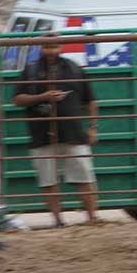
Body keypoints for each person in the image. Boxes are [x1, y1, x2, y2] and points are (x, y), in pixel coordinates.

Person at [12, 43, 100, 227]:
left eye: (54, 47)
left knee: (84, 176)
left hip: (73, 132)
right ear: (41, 49)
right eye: (47, 47)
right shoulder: (30, 70)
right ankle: (58, 221)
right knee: (48, 179)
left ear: (61, 48)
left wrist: (93, 127)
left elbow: (91, 100)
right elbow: (17, 99)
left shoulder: (75, 68)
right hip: (41, 134)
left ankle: (92, 218)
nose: (51, 51)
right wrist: (43, 97)